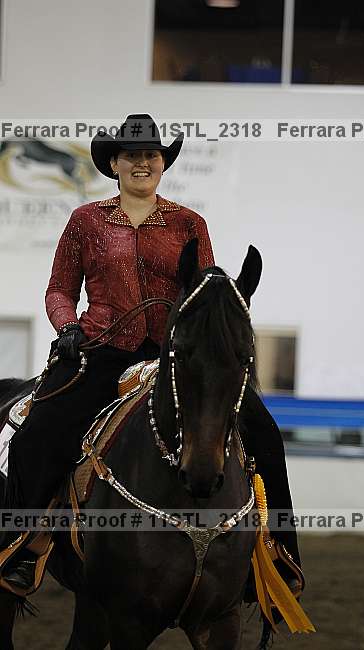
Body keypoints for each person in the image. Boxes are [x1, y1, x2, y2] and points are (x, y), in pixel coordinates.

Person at [0, 114, 300, 593]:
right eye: (132, 155)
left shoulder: (189, 223)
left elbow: (203, 295)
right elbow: (59, 289)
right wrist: (68, 326)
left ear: (163, 164)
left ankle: (278, 553)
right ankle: (27, 543)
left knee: (264, 432)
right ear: (114, 164)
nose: (142, 163)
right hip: (99, 349)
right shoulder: (85, 221)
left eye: (151, 155)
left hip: (174, 354)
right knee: (37, 434)